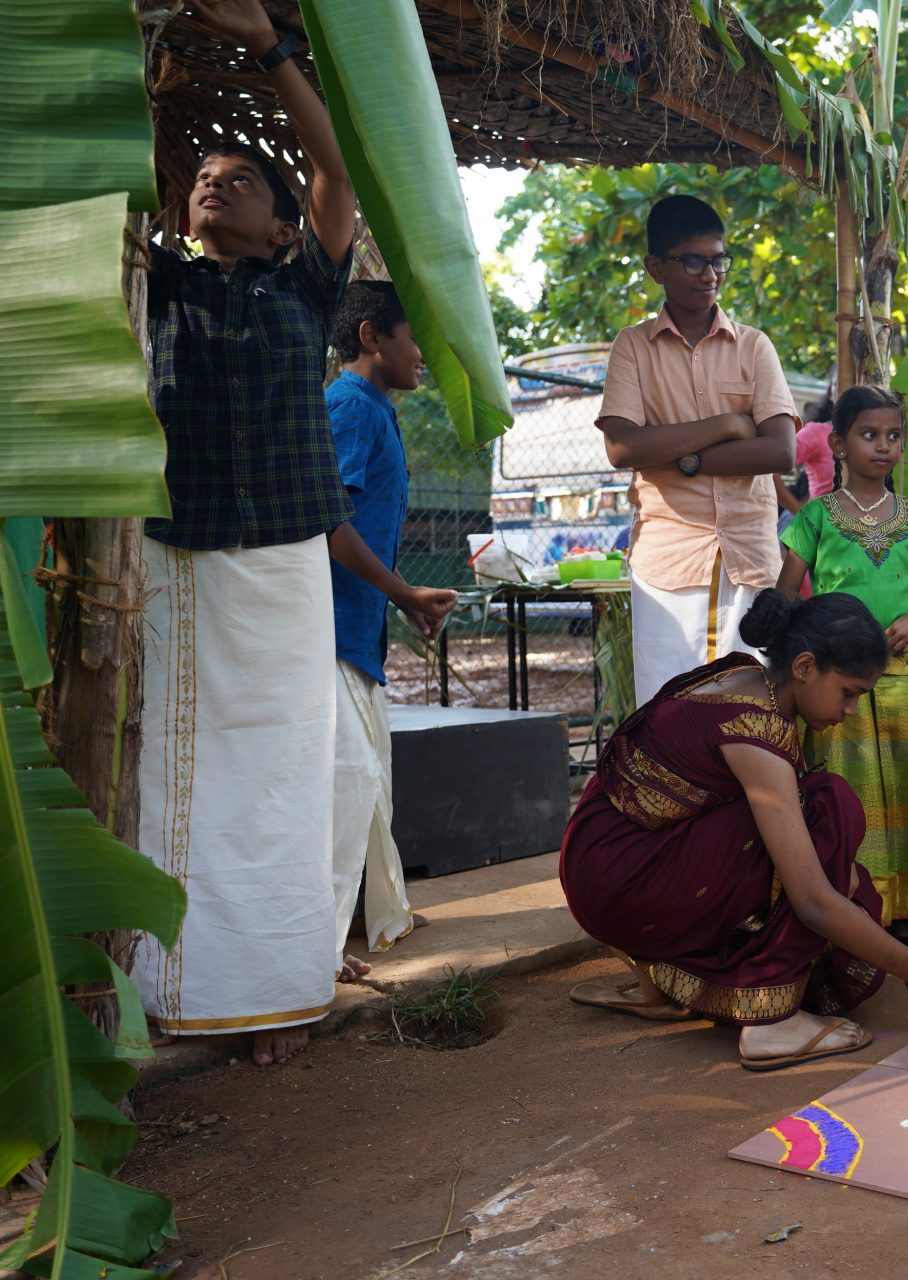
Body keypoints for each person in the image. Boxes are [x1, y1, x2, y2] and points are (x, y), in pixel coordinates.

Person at [131, 0, 452, 1067]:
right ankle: (178, 986)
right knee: (182, 775)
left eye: (246, 180)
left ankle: (271, 992)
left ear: (281, 227)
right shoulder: (157, 285)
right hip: (177, 554)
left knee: (278, 778)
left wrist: (272, 48)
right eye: (205, 178)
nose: (218, 181)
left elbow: (335, 171)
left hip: (279, 565)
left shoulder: (302, 285)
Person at [559, 591, 908, 1070]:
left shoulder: (738, 674)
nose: (851, 710)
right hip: (624, 884)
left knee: (818, 832)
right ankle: (771, 1023)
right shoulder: (758, 732)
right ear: (805, 666)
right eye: (850, 692)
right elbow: (812, 903)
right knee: (828, 810)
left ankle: (656, 984)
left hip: (598, 868)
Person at [776, 386, 908, 928]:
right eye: (869, 435)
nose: (882, 446)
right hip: (843, 687)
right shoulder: (815, 517)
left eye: (892, 436)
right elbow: (788, 595)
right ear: (837, 443)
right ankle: (857, 912)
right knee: (853, 794)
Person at [595, 195, 797, 706]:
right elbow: (622, 446)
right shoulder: (633, 347)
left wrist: (680, 458)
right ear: (655, 267)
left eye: (718, 260)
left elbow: (779, 452)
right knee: (667, 713)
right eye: (692, 260)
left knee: (748, 710)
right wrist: (728, 424)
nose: (709, 274)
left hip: (749, 557)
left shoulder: (755, 346)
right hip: (668, 561)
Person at [326, 282, 456, 981]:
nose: (425, 358)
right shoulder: (349, 407)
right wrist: (402, 590)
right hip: (331, 627)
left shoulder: (375, 408)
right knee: (348, 783)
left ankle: (378, 913)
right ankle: (317, 944)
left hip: (358, 625)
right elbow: (329, 523)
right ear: (374, 337)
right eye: (416, 340)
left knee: (371, 775)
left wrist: (399, 601)